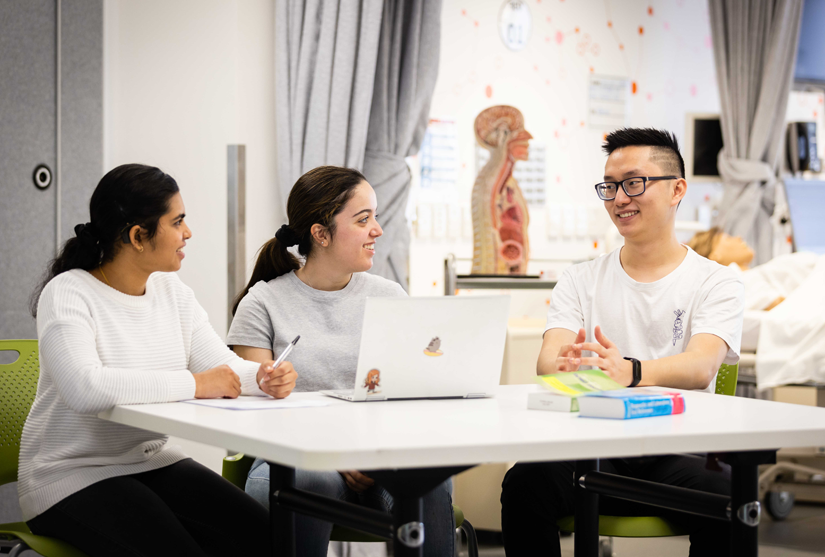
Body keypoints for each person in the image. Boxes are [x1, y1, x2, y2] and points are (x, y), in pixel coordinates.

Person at [20, 164, 297, 557]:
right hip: (70, 476)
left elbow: (219, 365)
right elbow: (85, 388)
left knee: (269, 539)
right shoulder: (68, 293)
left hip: (149, 461)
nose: (188, 233)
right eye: (178, 221)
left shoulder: (171, 290)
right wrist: (197, 384)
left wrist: (262, 377)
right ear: (137, 236)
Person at [500, 128, 744, 557]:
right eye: (609, 186)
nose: (619, 198)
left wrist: (629, 372)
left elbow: (702, 365)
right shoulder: (581, 278)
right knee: (525, 483)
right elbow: (548, 361)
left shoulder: (716, 280)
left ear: (677, 190)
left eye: (634, 183)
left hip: (677, 454)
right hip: (593, 449)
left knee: (728, 493)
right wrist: (568, 366)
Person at [227, 165, 455, 557]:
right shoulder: (262, 303)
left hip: (378, 455)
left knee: (428, 481)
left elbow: (411, 394)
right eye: (363, 219)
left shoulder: (389, 296)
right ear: (320, 233)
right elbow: (252, 411)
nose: (377, 231)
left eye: (376, 217)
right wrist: (332, 448)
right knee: (304, 481)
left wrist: (367, 450)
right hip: (295, 455)